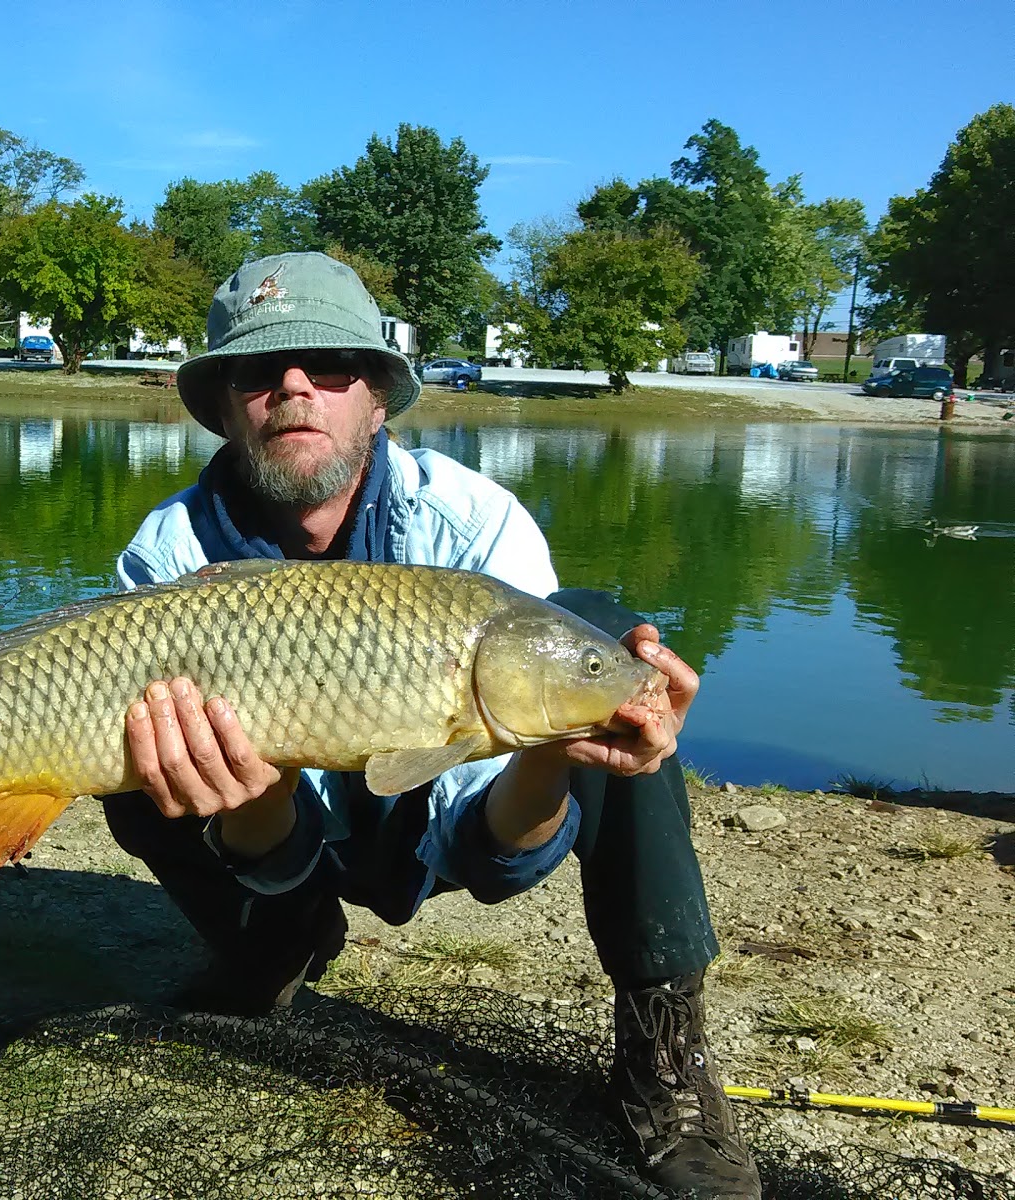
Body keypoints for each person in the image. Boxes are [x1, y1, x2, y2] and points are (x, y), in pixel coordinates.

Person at [101, 252, 760, 1199]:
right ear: (229, 404)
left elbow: (488, 856)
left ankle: (664, 1048)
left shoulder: (474, 531)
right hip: (267, 827)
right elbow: (219, 800)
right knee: (134, 760)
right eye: (262, 370)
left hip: (436, 806)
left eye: (330, 364)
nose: (295, 385)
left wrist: (559, 755)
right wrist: (259, 789)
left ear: (377, 398)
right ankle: (272, 944)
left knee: (614, 652)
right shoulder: (168, 555)